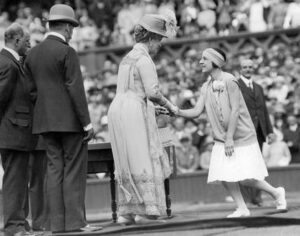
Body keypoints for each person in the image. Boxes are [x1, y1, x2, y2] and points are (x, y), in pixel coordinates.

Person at [176, 48, 287, 217]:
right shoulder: (205, 86)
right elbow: (197, 111)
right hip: (222, 138)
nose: (200, 62)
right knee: (223, 174)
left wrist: (229, 138)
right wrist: (174, 110)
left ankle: (276, 193)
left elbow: (235, 110)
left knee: (246, 178)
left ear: (216, 62)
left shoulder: (230, 80)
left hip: (241, 135)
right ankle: (242, 208)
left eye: (204, 58)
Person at [24, 4, 101, 233]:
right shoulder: (67, 52)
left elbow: (31, 92)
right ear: (67, 28)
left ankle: (56, 225)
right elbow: (75, 89)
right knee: (73, 172)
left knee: (54, 171)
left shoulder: (32, 54)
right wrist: (87, 123)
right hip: (70, 123)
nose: (73, 32)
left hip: (45, 123)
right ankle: (77, 223)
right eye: (72, 27)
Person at [107, 14, 178, 225]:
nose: (160, 45)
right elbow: (153, 92)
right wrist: (170, 106)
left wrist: (152, 108)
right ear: (152, 38)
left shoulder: (127, 57)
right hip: (133, 110)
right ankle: (146, 211)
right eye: (160, 40)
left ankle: (127, 211)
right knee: (142, 155)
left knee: (126, 160)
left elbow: (133, 90)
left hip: (117, 109)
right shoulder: (145, 59)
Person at [0, 23, 36, 236]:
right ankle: (14, 226)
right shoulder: (8, 64)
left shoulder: (11, 62)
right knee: (15, 180)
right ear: (16, 40)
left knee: (19, 179)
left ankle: (20, 223)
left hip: (14, 132)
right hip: (12, 132)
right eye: (27, 41)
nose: (29, 44)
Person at [237, 59, 274, 206]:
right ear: (240, 69)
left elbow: (264, 110)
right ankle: (246, 199)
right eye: (245, 67)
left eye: (250, 67)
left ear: (253, 69)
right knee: (243, 166)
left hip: (259, 132)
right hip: (243, 132)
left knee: (257, 165)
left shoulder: (258, 87)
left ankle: (257, 198)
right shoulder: (236, 86)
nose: (248, 69)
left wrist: (269, 131)